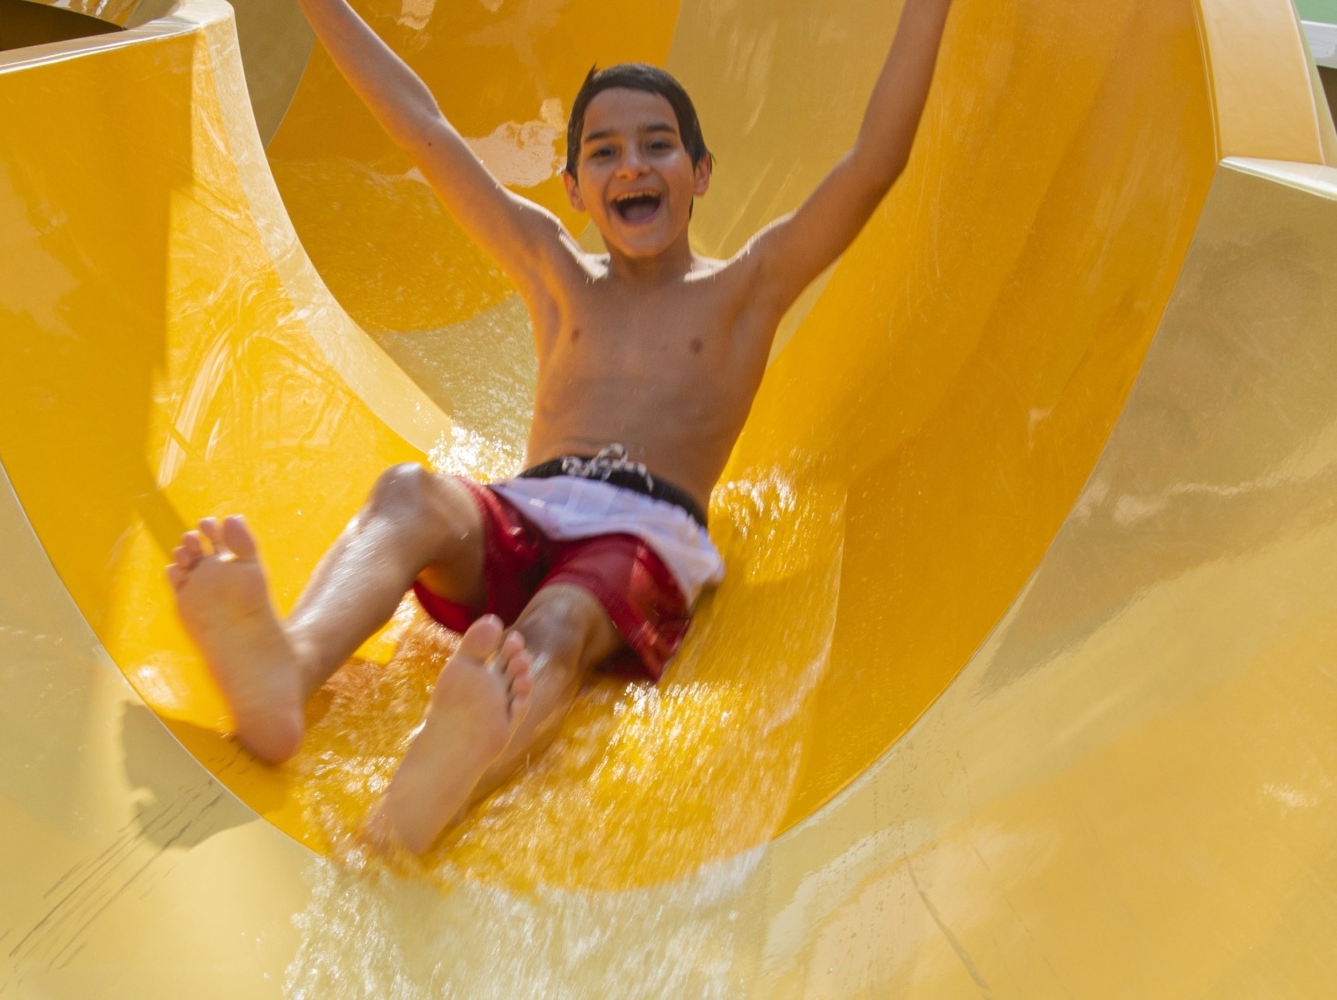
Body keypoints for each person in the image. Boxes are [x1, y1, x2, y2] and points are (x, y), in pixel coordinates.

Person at [167, 0, 953, 854]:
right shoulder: (555, 273)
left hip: (638, 536)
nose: (631, 166)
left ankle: (458, 762)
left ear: (700, 171)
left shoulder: (744, 292)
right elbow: (421, 131)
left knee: (560, 621)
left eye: (657, 145)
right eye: (602, 151)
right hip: (523, 513)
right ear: (572, 188)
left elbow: (875, 162)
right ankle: (289, 665)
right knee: (408, 494)